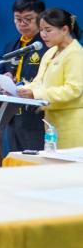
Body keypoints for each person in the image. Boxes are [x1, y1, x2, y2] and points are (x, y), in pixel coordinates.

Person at [17, 8, 83, 148]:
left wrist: (36, 94)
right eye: (41, 30)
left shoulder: (76, 54)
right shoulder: (51, 52)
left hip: (72, 124)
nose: (43, 34)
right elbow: (38, 82)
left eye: (48, 30)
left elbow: (73, 90)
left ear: (65, 29)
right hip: (51, 122)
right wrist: (19, 90)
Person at [2, 0, 48, 156]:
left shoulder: (47, 46)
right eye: (18, 19)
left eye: (28, 19)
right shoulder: (11, 46)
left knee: (37, 161)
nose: (22, 24)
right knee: (17, 160)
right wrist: (6, 76)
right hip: (13, 115)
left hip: (37, 116)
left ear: (41, 18)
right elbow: (0, 70)